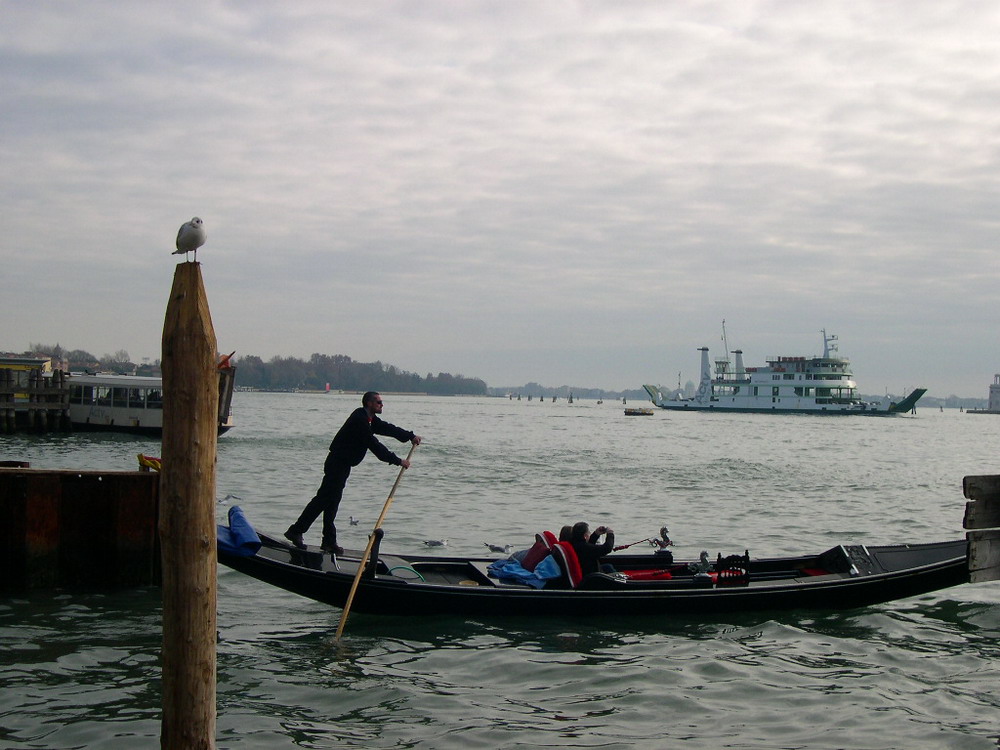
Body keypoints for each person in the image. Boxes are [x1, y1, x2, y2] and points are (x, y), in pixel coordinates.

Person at [285, 391, 421, 554]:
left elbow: (387, 428)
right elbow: (374, 445)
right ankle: (296, 530)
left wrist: (410, 436)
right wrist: (398, 461)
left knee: (332, 503)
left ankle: (328, 541)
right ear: (369, 403)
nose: (381, 404)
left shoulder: (369, 419)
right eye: (378, 402)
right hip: (337, 464)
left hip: (343, 465)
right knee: (323, 500)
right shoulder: (360, 420)